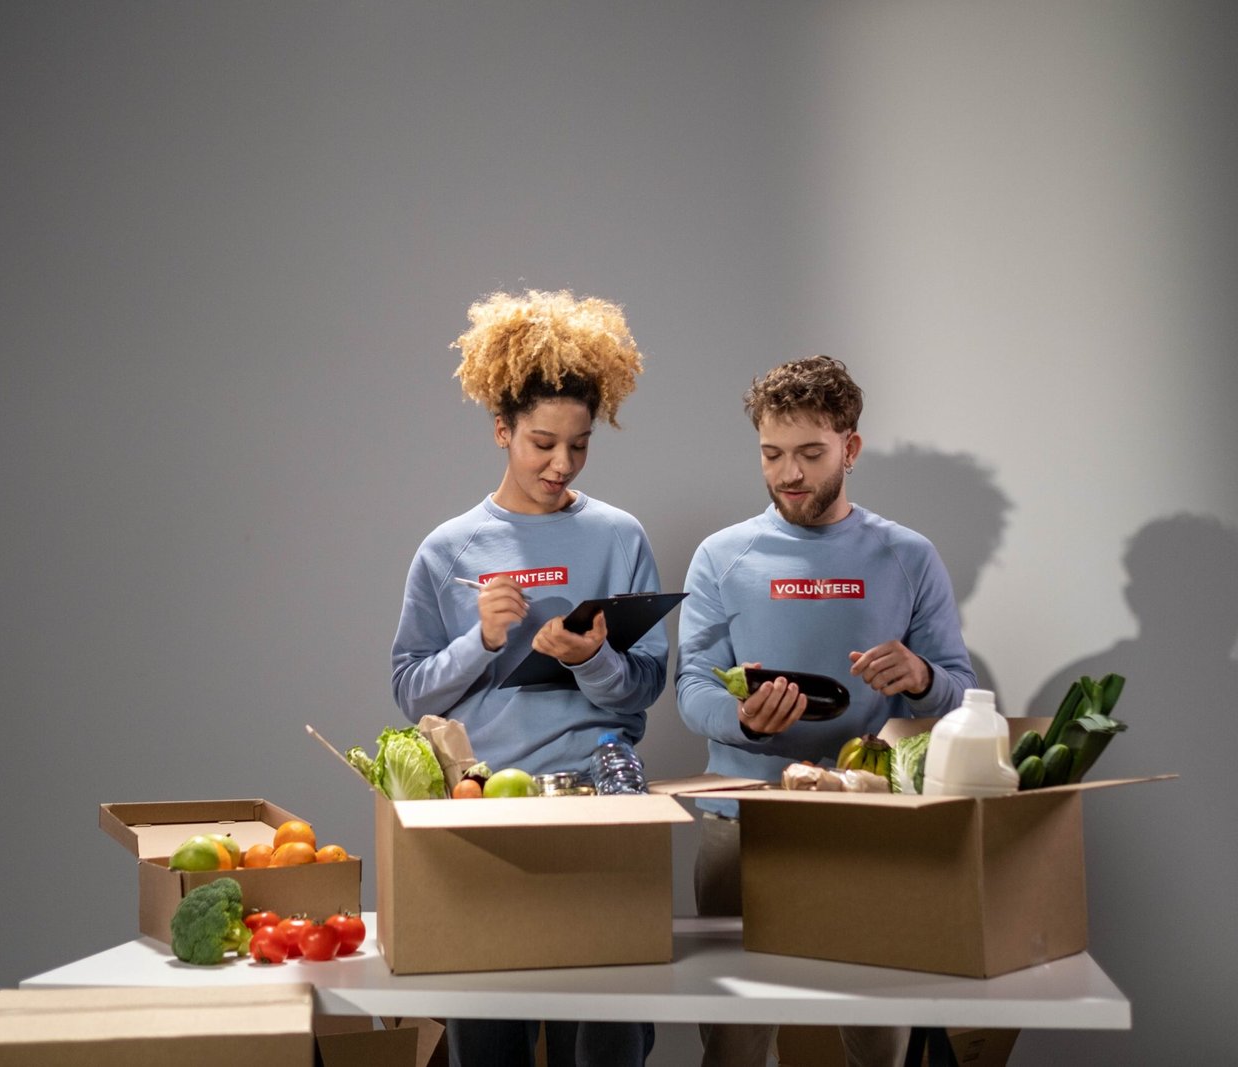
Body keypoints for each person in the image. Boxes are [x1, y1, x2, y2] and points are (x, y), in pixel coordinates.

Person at [675, 355, 975, 1067]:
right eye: (772, 454)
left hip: (867, 822)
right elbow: (692, 689)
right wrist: (744, 720)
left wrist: (922, 676)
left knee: (879, 1034)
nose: (789, 474)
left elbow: (961, 692)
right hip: (744, 819)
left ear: (851, 448)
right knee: (735, 1040)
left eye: (811, 454)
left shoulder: (907, 555)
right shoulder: (722, 556)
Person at [391, 289, 664, 1067]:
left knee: (608, 1038)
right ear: (502, 429)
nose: (561, 464)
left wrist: (591, 658)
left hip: (601, 806)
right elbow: (411, 691)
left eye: (579, 445)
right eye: (542, 442)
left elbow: (648, 686)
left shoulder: (619, 536)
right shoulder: (448, 549)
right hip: (485, 812)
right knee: (488, 1037)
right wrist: (481, 640)